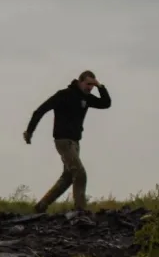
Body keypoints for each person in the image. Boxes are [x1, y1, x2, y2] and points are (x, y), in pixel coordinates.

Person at [23, 70, 111, 213]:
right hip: (63, 141)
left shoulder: (86, 98)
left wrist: (100, 86)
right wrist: (29, 132)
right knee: (80, 173)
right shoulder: (64, 95)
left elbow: (106, 103)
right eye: (88, 84)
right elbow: (40, 110)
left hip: (75, 142)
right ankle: (80, 210)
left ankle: (41, 206)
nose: (90, 88)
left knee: (68, 176)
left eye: (92, 86)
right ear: (80, 81)